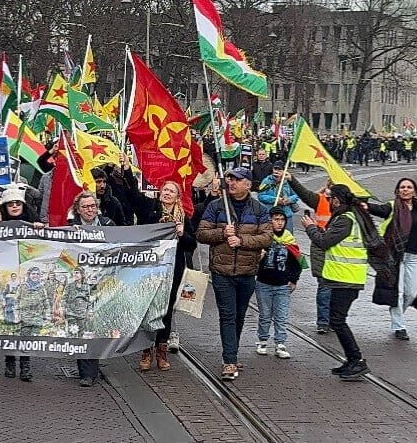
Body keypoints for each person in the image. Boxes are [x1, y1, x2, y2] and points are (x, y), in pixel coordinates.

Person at [119, 154, 196, 370]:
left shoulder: (183, 217)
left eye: (171, 191)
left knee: (166, 310)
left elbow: (192, 244)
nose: (167, 193)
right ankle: (146, 351)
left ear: (177, 197)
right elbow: (133, 196)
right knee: (148, 308)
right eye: (165, 190)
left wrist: (182, 234)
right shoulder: (150, 207)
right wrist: (127, 170)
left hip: (172, 270)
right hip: (150, 268)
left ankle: (161, 351)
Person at [195, 167, 271, 381]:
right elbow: (201, 233)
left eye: (237, 179)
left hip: (247, 272)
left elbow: (267, 238)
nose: (232, 183)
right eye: (230, 179)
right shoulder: (217, 206)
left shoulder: (259, 209)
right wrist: (222, 233)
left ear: (248, 184)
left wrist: (242, 240)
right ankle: (229, 360)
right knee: (228, 315)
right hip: (222, 271)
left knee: (239, 316)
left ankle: (232, 352)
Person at [300, 184, 375, 381]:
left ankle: (357, 360)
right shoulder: (349, 216)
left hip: (347, 278)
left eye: (330, 198)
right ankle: (352, 360)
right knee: (337, 319)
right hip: (343, 277)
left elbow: (324, 242)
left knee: (338, 320)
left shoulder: (345, 219)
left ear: (336, 200)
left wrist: (310, 228)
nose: (328, 201)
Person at [367, 178, 417, 340]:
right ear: (398, 191)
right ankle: (399, 326)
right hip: (394, 256)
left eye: (409, 187)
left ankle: (396, 313)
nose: (405, 190)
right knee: (397, 293)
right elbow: (377, 209)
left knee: (412, 293)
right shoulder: (393, 206)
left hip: (415, 256)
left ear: (415, 191)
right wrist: (364, 204)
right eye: (402, 187)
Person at [0, 185, 45, 381]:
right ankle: (10, 361)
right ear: (5, 206)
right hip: (8, 284)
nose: (14, 206)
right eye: (10, 204)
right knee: (10, 324)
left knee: (26, 325)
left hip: (26, 285)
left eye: (17, 203)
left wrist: (39, 229)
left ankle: (25, 364)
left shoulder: (33, 224)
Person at [67, 191, 114, 386]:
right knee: (84, 326)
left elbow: (121, 246)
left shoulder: (108, 225)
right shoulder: (70, 228)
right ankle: (87, 372)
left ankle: (93, 365)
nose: (89, 210)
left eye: (92, 206)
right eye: (85, 207)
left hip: (103, 284)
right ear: (78, 210)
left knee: (97, 326)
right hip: (81, 286)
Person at [286, 175, 333, 334]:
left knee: (338, 290)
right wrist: (292, 179)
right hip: (321, 248)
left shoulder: (350, 204)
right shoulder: (320, 199)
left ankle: (334, 320)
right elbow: (304, 193)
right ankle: (323, 322)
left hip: (340, 252)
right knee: (325, 286)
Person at [255, 207, 301, 359]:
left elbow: (296, 262)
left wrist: (293, 280)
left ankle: (280, 343)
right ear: (270, 221)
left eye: (282, 220)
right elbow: (252, 260)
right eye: (276, 219)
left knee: (281, 316)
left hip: (282, 285)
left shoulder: (289, 240)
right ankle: (262, 340)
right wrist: (259, 256)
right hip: (264, 283)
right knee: (265, 315)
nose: (280, 223)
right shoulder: (263, 238)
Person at [257, 162, 300, 228]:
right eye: (275, 169)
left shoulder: (289, 181)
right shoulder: (266, 180)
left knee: (287, 233)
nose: (276, 171)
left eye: (279, 169)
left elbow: (296, 195)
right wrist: (275, 200)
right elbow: (261, 196)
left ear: (284, 170)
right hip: (271, 213)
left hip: (286, 214)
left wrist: (289, 200)